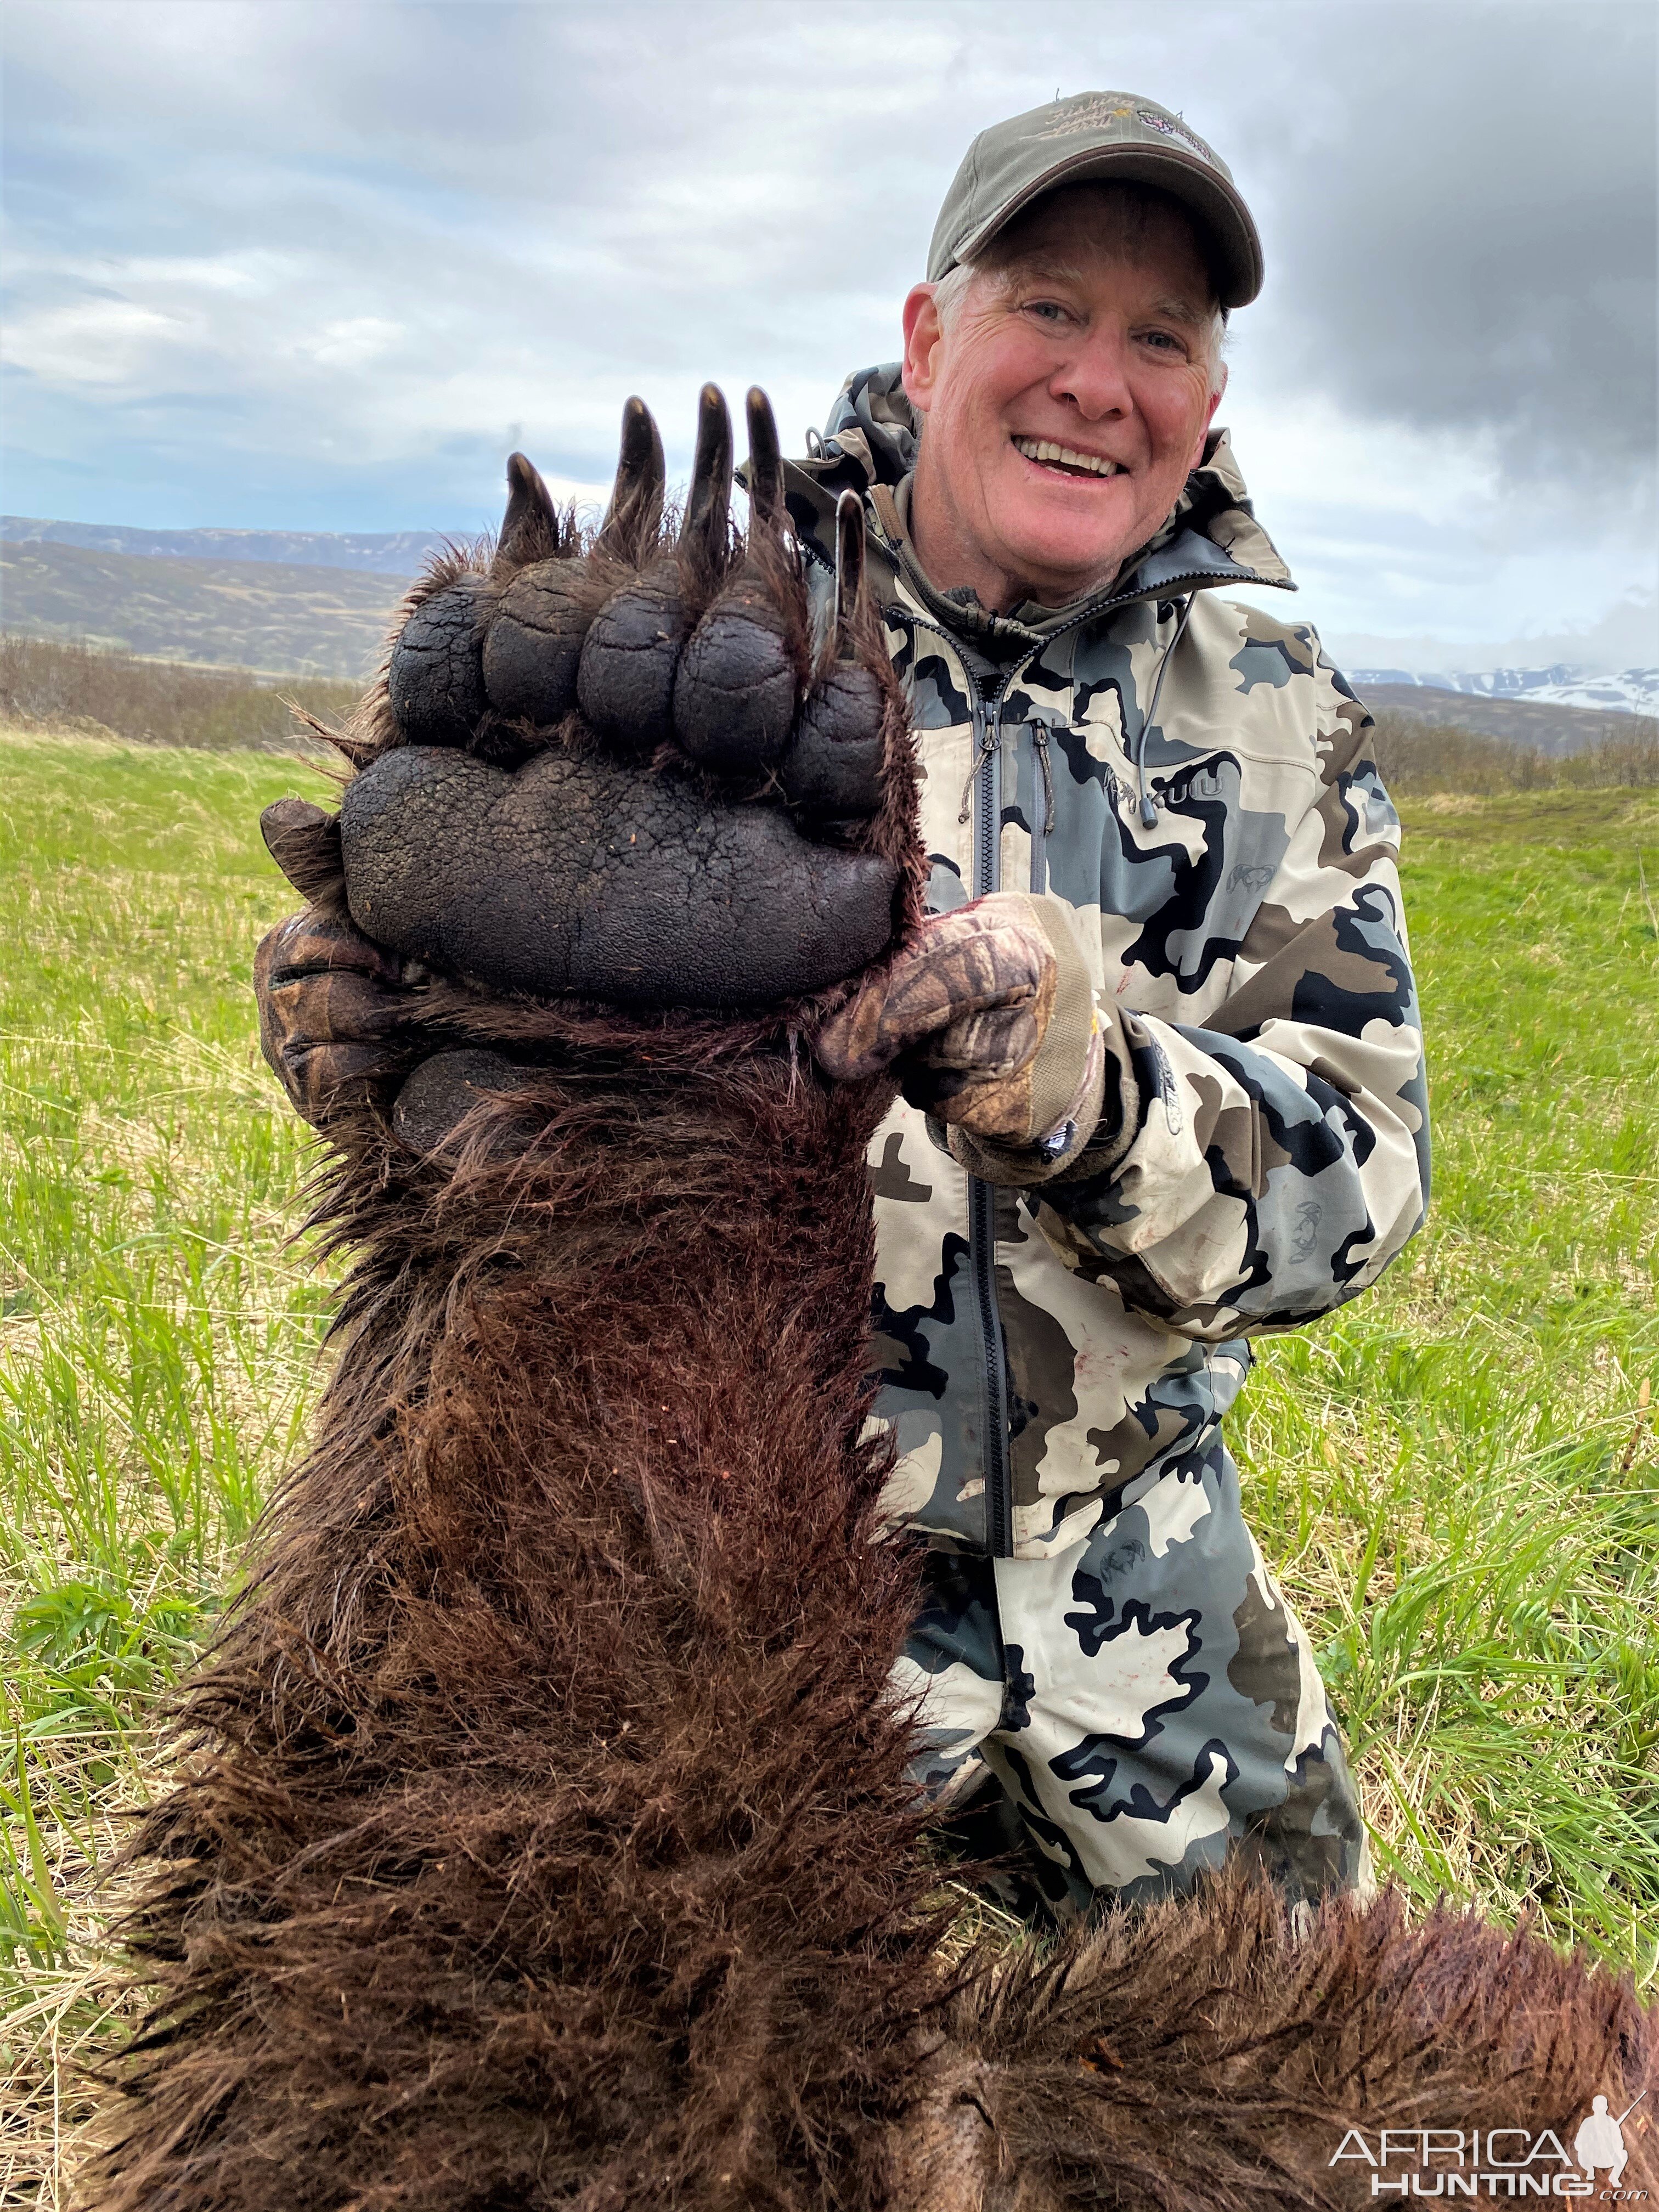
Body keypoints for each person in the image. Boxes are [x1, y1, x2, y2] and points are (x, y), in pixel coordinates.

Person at [257, 92, 1429, 1919]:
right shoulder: (722, 646)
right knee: (636, 2069)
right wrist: (391, 1038)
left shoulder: (1271, 701)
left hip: (1129, 1566)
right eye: (1049, 309)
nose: (1098, 384)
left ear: (1211, 396)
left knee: (1344, 2104)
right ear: (928, 331)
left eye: (1162, 340)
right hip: (729, 1533)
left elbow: (1356, 1184)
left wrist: (1092, 1103)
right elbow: (492, 1060)